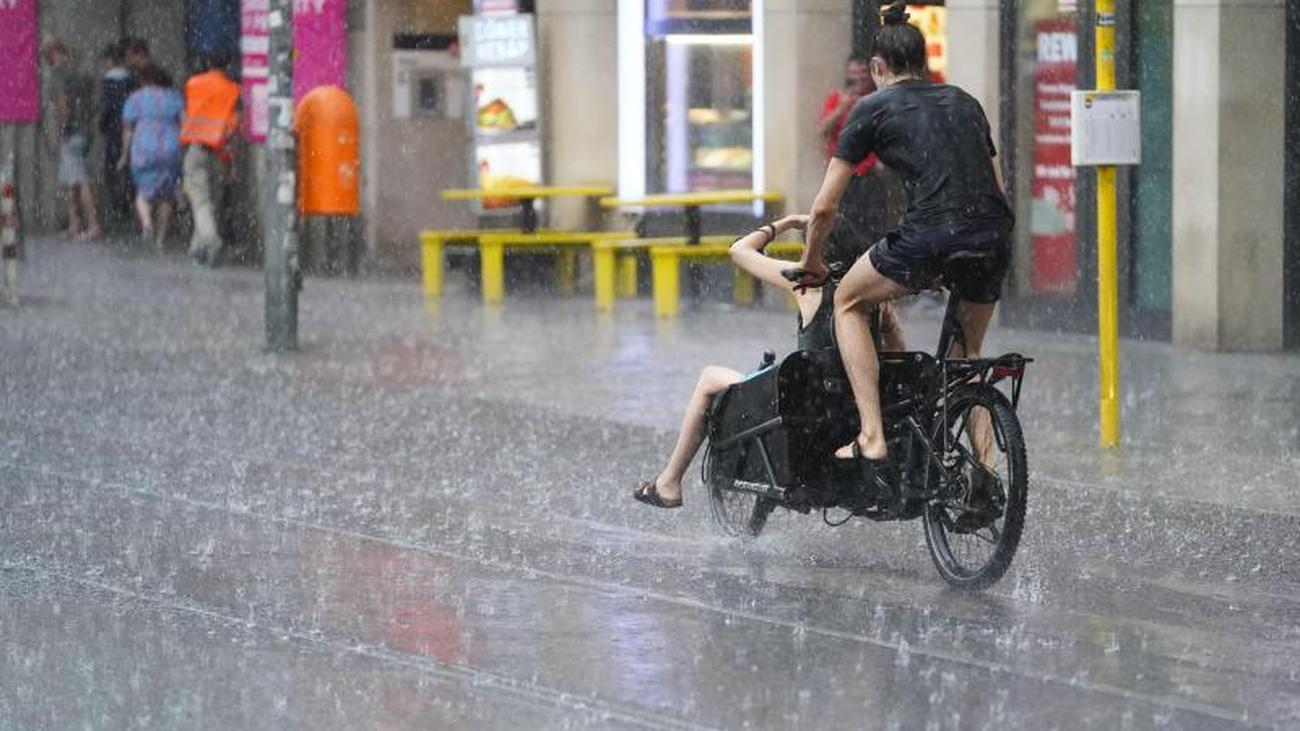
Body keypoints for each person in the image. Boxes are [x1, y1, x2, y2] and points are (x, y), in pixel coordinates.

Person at [790, 3, 1014, 490]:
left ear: (877, 67)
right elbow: (996, 186)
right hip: (994, 235)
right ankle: (986, 473)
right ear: (924, 61)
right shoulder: (965, 102)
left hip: (932, 232)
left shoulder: (872, 107)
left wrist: (811, 260)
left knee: (847, 302)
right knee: (967, 355)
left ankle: (872, 435)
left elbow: (825, 208)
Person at [631, 214, 905, 509]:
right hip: (855, 410)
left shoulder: (806, 282)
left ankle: (669, 483)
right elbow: (897, 353)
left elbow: (739, 250)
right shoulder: (875, 297)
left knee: (710, 377)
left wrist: (787, 222)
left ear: (814, 248)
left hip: (805, 403)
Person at [818, 55, 892, 243]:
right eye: (853, 72)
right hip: (843, 176)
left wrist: (882, 159)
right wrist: (842, 107)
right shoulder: (837, 98)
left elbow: (887, 132)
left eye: (862, 72)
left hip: (870, 176)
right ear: (847, 75)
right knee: (843, 227)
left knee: (873, 228)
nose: (858, 77)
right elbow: (823, 130)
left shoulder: (877, 100)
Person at [180, 51, 240, 266]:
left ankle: (210, 240)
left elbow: (187, 113)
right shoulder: (233, 89)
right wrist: (231, 161)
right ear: (228, 64)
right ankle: (197, 249)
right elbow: (233, 126)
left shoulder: (193, 84)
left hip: (196, 149)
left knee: (200, 201)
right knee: (210, 202)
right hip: (219, 153)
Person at [120, 63, 184, 251]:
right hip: (170, 147)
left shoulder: (135, 98)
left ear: (143, 79)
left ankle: (147, 222)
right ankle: (160, 240)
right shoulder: (174, 97)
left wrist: (124, 154)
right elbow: (185, 122)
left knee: (142, 194)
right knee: (166, 196)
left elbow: (127, 129)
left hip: (144, 146)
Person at [43, 40, 102, 241]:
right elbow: (93, 102)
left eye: (48, 56)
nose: (47, 61)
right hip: (85, 131)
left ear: (55, 53)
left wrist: (62, 127)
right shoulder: (81, 73)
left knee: (80, 180)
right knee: (72, 181)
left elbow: (63, 105)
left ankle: (93, 225)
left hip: (72, 132)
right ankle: (74, 224)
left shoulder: (59, 74)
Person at [99, 41, 138, 231]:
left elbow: (107, 108)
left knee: (112, 169)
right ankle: (132, 202)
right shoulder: (132, 80)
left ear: (110, 60)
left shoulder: (108, 82)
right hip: (132, 128)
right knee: (130, 168)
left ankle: (119, 206)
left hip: (114, 130)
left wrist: (103, 124)